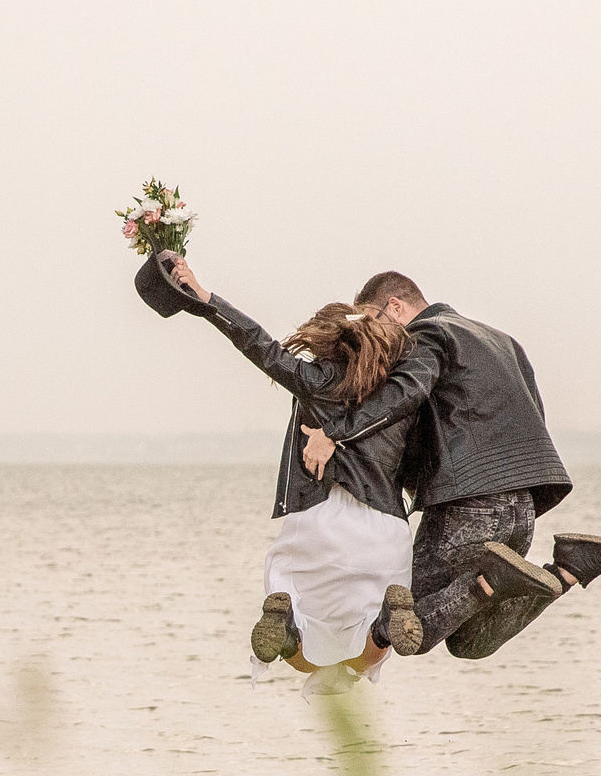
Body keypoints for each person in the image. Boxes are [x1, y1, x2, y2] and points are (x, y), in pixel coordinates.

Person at [300, 271, 601, 660]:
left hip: (469, 506)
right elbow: (534, 414)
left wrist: (335, 434)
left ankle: (493, 578)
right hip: (523, 508)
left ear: (394, 307)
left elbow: (405, 395)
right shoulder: (501, 340)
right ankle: (569, 568)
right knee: (469, 642)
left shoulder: (424, 335)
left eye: (373, 320)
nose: (374, 335)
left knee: (406, 620)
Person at [155, 253, 418, 692]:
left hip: (316, 523)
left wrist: (204, 298)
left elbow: (258, 343)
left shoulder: (312, 378)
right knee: (375, 643)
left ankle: (288, 623)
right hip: (383, 527)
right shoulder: (399, 393)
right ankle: (386, 623)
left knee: (296, 610)